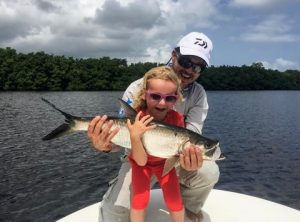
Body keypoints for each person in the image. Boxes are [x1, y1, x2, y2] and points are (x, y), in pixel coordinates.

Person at [88, 32, 220, 222]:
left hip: (174, 158)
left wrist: (192, 157)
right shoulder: (138, 87)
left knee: (209, 170)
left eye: (198, 67)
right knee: (114, 217)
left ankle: (187, 209)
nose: (190, 70)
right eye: (186, 62)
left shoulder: (198, 94)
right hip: (138, 160)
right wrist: (105, 145)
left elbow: (193, 135)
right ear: (174, 55)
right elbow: (122, 137)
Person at [127, 66, 184, 222]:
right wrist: (135, 137)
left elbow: (176, 153)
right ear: (145, 94)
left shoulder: (178, 118)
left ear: (176, 98)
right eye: (155, 96)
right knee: (139, 200)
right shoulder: (137, 117)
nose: (162, 102)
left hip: (165, 163)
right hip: (141, 165)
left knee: (174, 200)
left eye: (170, 98)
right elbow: (140, 161)